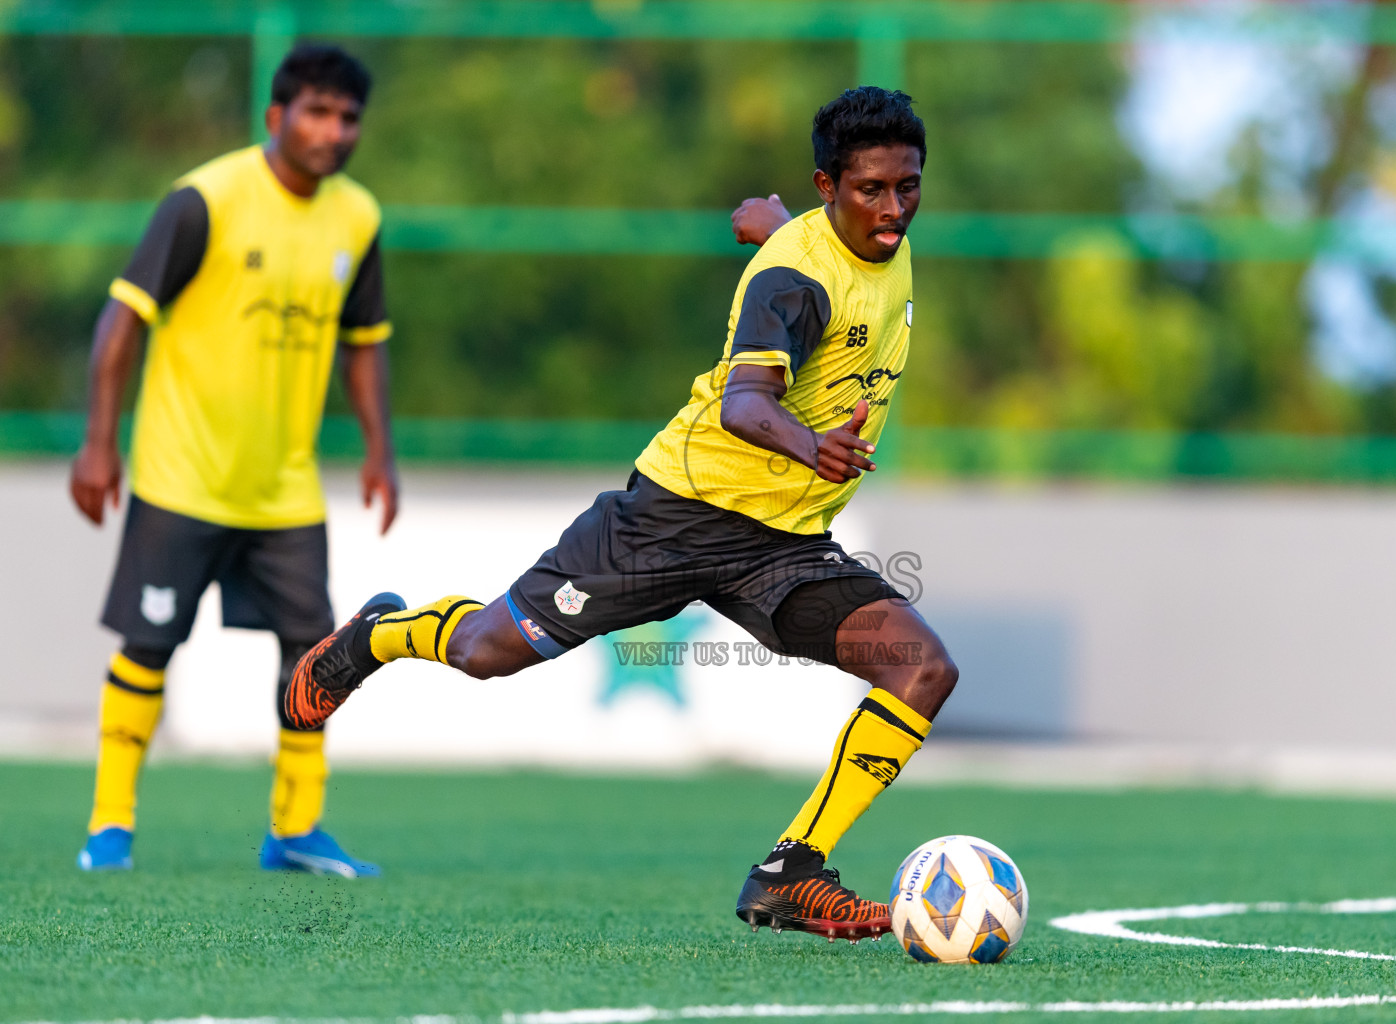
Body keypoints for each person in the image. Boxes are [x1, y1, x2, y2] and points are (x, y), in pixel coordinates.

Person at [288, 86, 955, 939]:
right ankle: (378, 634)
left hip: (783, 544)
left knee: (921, 668)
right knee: (486, 652)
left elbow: (808, 241)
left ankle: (791, 872)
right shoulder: (794, 277)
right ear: (831, 186)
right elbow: (744, 406)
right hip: (674, 517)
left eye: (909, 186)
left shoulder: (850, 241)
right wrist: (814, 445)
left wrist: (779, 221)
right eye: (872, 191)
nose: (895, 210)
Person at [70, 44, 398, 877]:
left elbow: (365, 344)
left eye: (348, 116)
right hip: (182, 477)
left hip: (284, 488)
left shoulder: (357, 217)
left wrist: (379, 451)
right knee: (148, 646)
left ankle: (295, 830)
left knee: (312, 653)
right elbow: (120, 324)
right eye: (317, 112)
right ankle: (110, 827)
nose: (333, 131)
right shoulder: (204, 201)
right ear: (275, 117)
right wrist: (99, 442)